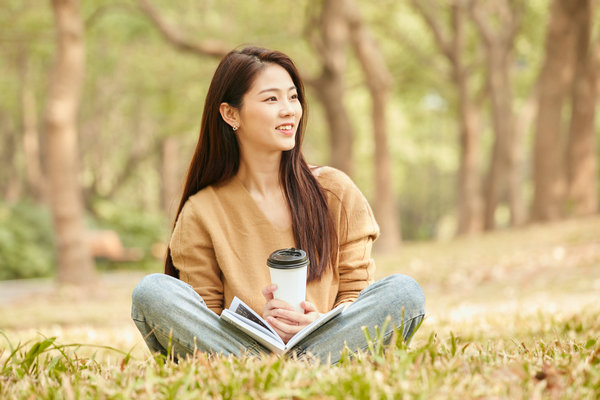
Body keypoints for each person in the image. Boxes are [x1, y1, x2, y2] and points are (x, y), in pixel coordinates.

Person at [131, 46, 425, 364]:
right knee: (152, 292)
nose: (289, 110)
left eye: (293, 97)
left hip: (326, 339)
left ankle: (276, 371)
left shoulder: (336, 190)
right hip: (244, 349)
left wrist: (314, 322)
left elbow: (355, 295)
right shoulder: (201, 211)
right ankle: (285, 368)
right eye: (271, 99)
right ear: (231, 114)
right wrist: (262, 325)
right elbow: (206, 322)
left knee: (403, 292)